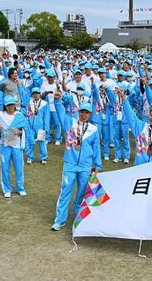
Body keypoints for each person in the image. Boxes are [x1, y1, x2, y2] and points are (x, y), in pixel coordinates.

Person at [51, 93, 102, 231]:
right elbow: (61, 112)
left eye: (86, 113)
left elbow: (96, 148)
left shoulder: (93, 129)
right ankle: (60, 220)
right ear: (78, 112)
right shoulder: (70, 123)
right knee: (65, 191)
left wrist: (97, 165)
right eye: (82, 112)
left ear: (90, 114)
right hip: (70, 164)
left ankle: (78, 220)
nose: (84, 115)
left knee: (81, 194)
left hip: (85, 166)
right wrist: (56, 100)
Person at [0, 95, 29, 198]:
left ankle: (20, 188)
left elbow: (25, 129)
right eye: (9, 105)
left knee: (19, 168)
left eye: (12, 104)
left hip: (16, 146)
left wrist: (19, 132)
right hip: (4, 145)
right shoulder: (0, 114)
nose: (11, 106)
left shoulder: (19, 115)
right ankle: (7, 189)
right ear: (5, 105)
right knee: (5, 168)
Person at [26, 87, 50, 165]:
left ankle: (43, 158)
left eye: (37, 93)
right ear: (32, 94)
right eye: (34, 93)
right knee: (30, 142)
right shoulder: (29, 103)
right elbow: (27, 114)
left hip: (40, 126)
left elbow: (46, 116)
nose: (36, 95)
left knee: (41, 141)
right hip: (30, 126)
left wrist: (46, 127)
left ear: (40, 94)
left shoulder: (44, 103)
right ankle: (30, 157)